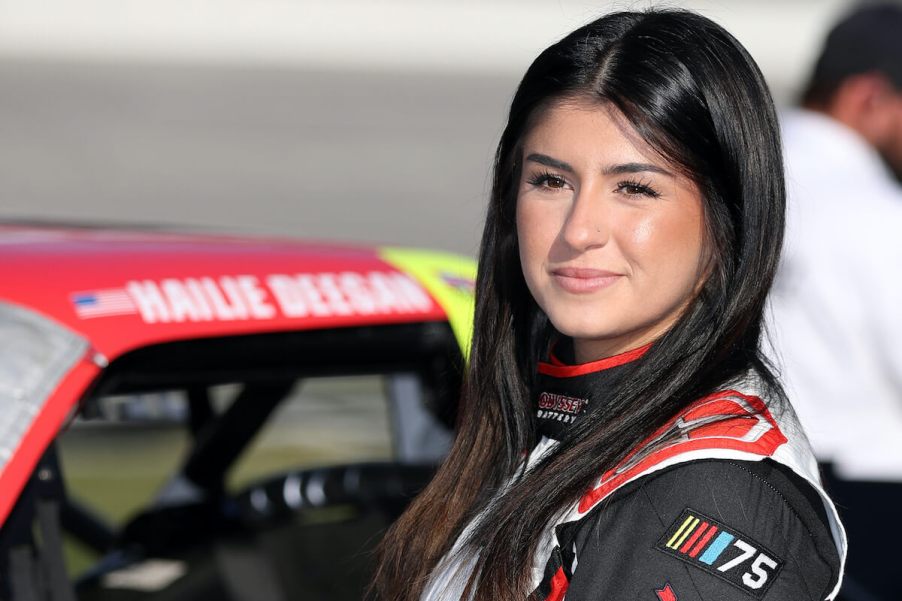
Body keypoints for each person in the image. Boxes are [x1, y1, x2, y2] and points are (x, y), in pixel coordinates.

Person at [373, 9, 846, 601]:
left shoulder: (712, 492)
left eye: (635, 188)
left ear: (729, 223)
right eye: (551, 181)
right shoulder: (535, 418)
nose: (579, 231)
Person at [767, 4, 902, 598]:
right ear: (870, 96)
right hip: (874, 512)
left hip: (741, 483)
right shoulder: (876, 211)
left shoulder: (729, 177)